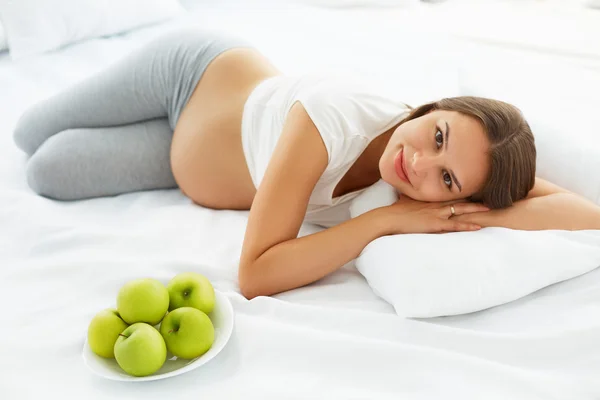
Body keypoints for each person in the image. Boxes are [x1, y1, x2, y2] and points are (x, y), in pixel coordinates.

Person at [12, 29, 600, 299]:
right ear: (433, 105)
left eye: (447, 177)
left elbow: (582, 213)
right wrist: (380, 223)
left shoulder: (421, 194)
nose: (418, 160)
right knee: (26, 132)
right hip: (190, 75)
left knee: (49, 171)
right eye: (438, 133)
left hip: (177, 163)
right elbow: (256, 274)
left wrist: (464, 213)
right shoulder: (333, 117)